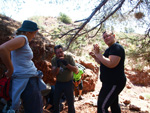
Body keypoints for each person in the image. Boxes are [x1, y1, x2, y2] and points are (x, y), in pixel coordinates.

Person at [0, 20, 46, 113]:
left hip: (26, 79)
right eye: (34, 33)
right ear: (29, 32)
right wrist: (10, 69)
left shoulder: (20, 39)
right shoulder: (23, 38)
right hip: (27, 81)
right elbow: (3, 49)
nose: (34, 36)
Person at [89, 31, 126, 113]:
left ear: (113, 36)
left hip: (114, 83)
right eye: (104, 37)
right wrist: (95, 56)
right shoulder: (110, 49)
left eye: (107, 36)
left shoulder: (117, 47)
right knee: (114, 105)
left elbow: (111, 63)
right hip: (109, 82)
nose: (105, 38)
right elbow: (102, 62)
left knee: (102, 107)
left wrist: (99, 54)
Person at [51, 45, 78, 113]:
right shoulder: (54, 60)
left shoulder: (68, 57)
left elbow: (76, 71)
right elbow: (54, 74)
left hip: (68, 83)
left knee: (70, 102)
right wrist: (58, 66)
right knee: (56, 101)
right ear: (55, 54)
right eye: (58, 53)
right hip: (59, 83)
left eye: (61, 52)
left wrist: (67, 65)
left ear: (63, 51)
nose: (60, 54)